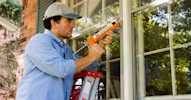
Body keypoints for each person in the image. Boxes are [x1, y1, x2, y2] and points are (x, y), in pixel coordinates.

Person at [16, 2, 114, 100]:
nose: (73, 25)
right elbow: (61, 69)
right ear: (54, 23)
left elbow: (88, 65)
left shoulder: (67, 50)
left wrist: (101, 44)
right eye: (68, 20)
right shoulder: (39, 41)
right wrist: (90, 57)